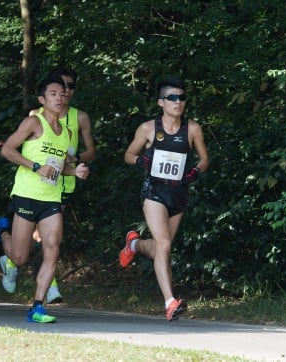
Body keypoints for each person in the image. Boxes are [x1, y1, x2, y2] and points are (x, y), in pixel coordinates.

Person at [0, 77, 89, 323]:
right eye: (53, 94)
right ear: (42, 100)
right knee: (19, 258)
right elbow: (7, 150)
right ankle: (2, 234)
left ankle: (38, 306)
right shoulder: (33, 122)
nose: (60, 97)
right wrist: (35, 166)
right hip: (27, 195)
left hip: (51, 198)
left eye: (63, 94)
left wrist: (75, 172)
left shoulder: (68, 133)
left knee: (52, 248)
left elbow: (59, 167)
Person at [118, 77, 209, 322]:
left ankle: (135, 245)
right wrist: (141, 161)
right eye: (172, 98)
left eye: (181, 98)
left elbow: (204, 159)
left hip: (178, 193)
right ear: (161, 102)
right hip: (154, 192)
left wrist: (196, 171)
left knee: (161, 247)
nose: (178, 102)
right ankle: (170, 302)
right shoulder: (148, 128)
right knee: (165, 244)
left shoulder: (193, 129)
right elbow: (128, 154)